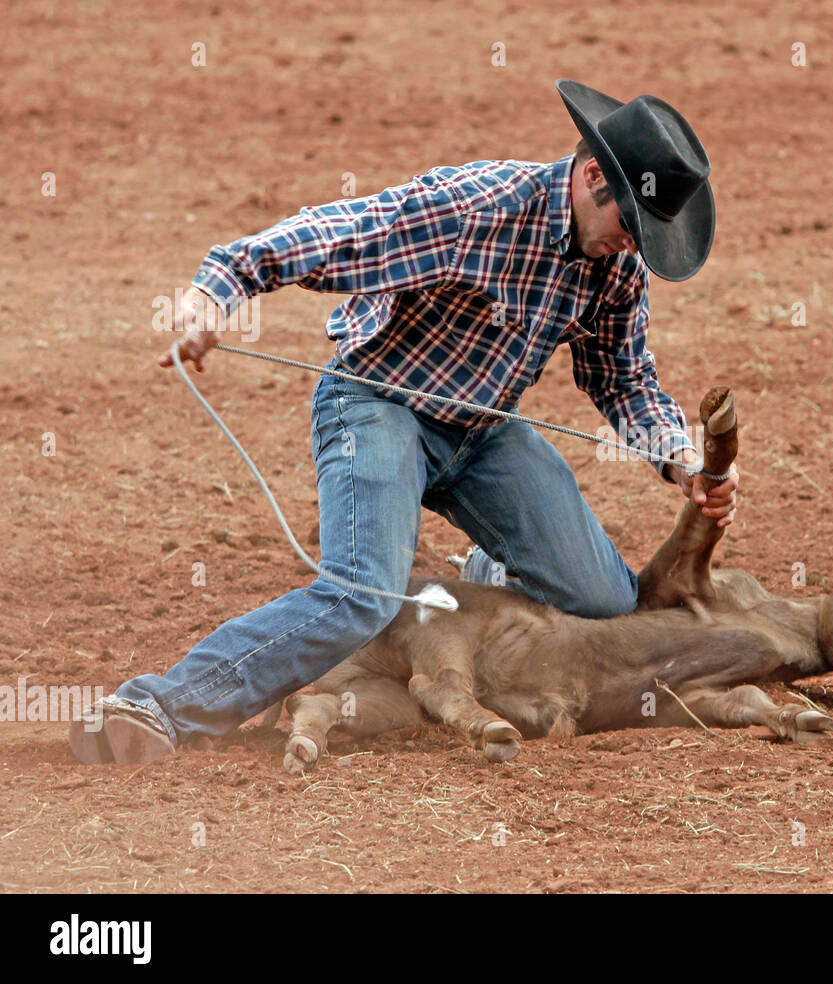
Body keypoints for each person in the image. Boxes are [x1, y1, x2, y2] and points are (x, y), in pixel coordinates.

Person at [69, 79, 739, 765]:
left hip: (484, 432)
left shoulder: (616, 267)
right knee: (362, 599)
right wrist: (219, 289)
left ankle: (482, 576)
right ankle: (160, 704)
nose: (631, 246)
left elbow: (621, 376)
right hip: (377, 404)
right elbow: (344, 230)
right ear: (592, 175)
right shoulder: (476, 205)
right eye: (630, 225)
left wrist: (679, 456)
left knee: (604, 601)